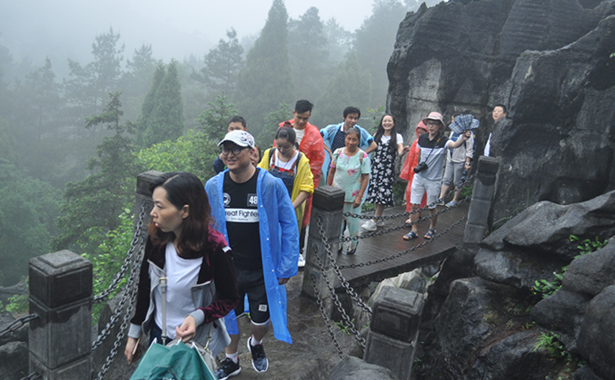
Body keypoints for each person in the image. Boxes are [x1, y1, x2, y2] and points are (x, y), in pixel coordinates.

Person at [205, 130, 299, 379]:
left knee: (261, 320)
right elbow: (207, 226)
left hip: (262, 269)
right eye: (226, 149)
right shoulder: (214, 186)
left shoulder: (270, 184)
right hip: (228, 269)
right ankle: (231, 359)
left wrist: (287, 266)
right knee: (228, 317)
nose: (230, 154)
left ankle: (255, 344)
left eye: (236, 149)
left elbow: (289, 223)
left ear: (252, 152)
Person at [124, 172, 239, 365]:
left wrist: (197, 317)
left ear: (185, 211)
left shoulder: (215, 248)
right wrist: (134, 333)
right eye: (154, 204)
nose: (153, 212)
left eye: (160, 206)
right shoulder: (156, 240)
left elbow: (230, 298)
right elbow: (144, 287)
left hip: (195, 342)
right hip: (158, 335)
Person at [402, 112, 471, 241]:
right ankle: (414, 230)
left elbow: (455, 145)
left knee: (431, 206)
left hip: (433, 180)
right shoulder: (422, 139)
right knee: (415, 205)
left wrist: (463, 138)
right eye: (429, 123)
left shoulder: (443, 141)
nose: (431, 126)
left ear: (440, 126)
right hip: (419, 177)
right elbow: (419, 154)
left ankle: (432, 228)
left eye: (434, 124)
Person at [276, 100, 325, 259]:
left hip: (301, 180)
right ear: (293, 114)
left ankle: (297, 251)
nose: (302, 121)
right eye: (299, 117)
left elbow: (318, 160)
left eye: (305, 118)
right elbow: (275, 151)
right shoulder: (284, 128)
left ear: (309, 116)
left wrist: (303, 173)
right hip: (280, 178)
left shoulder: (314, 134)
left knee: (300, 215)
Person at [261, 124, 314, 267]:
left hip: (291, 207)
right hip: (269, 207)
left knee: (287, 238)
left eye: (286, 147)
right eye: (279, 146)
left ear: (294, 144)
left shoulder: (301, 161)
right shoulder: (269, 155)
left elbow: (306, 188)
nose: (282, 150)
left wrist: (289, 208)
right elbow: (259, 177)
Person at [327, 127, 371, 255]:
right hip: (337, 194)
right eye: (348, 138)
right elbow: (332, 171)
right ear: (345, 138)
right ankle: (338, 244)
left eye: (354, 140)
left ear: (358, 141)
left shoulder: (363, 156)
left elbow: (365, 177)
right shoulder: (338, 152)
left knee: (352, 223)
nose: (351, 142)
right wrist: (328, 189)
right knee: (337, 223)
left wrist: (359, 196)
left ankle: (353, 244)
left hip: (353, 196)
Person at [362, 114, 409, 231]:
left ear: (393, 123)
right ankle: (379, 218)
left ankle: (375, 220)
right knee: (376, 193)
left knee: (382, 194)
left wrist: (403, 151)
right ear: (381, 123)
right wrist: (362, 154)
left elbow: (400, 152)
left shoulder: (397, 137)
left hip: (387, 170)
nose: (387, 123)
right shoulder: (376, 136)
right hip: (376, 168)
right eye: (385, 121)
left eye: (389, 121)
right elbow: (371, 148)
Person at [320, 106, 377, 183]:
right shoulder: (333, 130)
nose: (353, 121)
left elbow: (373, 145)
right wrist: (329, 151)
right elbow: (318, 138)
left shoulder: (360, 132)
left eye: (356, 118)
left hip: (352, 169)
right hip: (334, 167)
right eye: (350, 117)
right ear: (344, 117)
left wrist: (361, 155)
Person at [437, 113, 474, 207]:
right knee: (446, 179)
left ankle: (455, 200)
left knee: (457, 181)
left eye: (454, 119)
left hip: (460, 160)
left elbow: (469, 149)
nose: (452, 121)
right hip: (450, 158)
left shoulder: (468, 133)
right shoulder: (453, 131)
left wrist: (467, 162)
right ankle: (441, 198)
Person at [400, 121, 428, 221]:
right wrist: (408, 171)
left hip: (424, 173)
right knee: (410, 192)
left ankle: (417, 213)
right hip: (414, 172)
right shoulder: (415, 142)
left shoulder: (428, 143)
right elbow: (410, 158)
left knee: (421, 193)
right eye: (419, 132)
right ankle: (412, 213)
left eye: (423, 133)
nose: (420, 135)